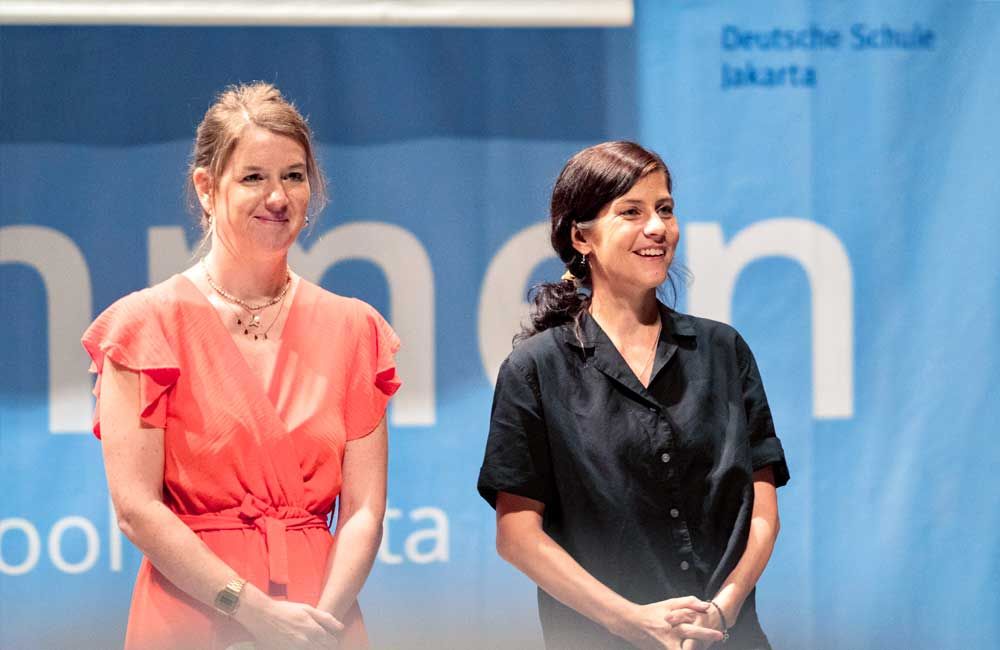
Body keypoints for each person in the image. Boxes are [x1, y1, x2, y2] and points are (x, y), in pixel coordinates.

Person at [82, 82, 400, 649]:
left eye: (294, 176)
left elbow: (363, 512)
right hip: (194, 614)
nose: (277, 197)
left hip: (321, 620)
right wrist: (251, 610)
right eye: (253, 177)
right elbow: (136, 509)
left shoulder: (355, 328)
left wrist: (317, 625)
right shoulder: (144, 326)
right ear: (207, 188)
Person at [477, 141, 789, 650]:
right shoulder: (536, 368)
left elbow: (761, 509)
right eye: (631, 212)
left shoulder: (722, 350)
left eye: (665, 209)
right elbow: (517, 535)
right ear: (582, 237)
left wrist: (723, 610)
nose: (657, 228)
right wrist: (629, 621)